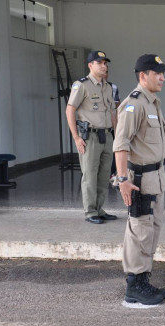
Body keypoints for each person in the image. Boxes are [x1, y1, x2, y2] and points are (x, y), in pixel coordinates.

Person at [113, 54, 165, 305]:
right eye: (156, 73)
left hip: (156, 175)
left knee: (151, 228)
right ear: (142, 76)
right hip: (139, 178)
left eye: (163, 73)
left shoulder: (153, 102)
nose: (162, 77)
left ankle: (143, 278)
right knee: (139, 229)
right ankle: (134, 284)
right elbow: (121, 144)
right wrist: (123, 179)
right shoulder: (134, 104)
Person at [66, 50, 117, 224]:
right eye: (100, 62)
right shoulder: (81, 85)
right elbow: (70, 110)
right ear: (90, 65)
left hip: (107, 135)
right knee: (89, 175)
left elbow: (112, 112)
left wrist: (116, 135)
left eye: (105, 62)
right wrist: (76, 137)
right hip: (90, 136)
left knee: (104, 175)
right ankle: (90, 212)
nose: (104, 66)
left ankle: (99, 209)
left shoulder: (108, 87)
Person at [105, 70, 120, 182]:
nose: (105, 74)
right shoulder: (88, 87)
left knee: (115, 149)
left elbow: (117, 106)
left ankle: (112, 173)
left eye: (107, 72)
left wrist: (117, 124)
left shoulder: (113, 87)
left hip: (111, 125)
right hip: (98, 126)